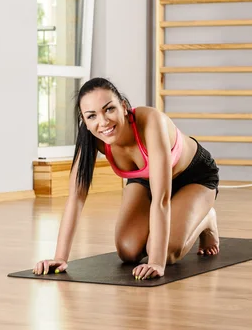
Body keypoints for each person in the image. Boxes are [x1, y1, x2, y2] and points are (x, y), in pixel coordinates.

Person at [32, 77, 220, 280]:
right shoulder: (92, 138)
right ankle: (181, 218)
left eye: (109, 109)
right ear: (84, 121)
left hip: (194, 176)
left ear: (123, 106)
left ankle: (206, 218)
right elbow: (76, 198)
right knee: (128, 250)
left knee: (166, 252)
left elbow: (161, 200)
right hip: (145, 180)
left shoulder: (151, 122)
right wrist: (60, 258)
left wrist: (156, 262)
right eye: (92, 116)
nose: (103, 122)